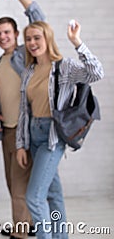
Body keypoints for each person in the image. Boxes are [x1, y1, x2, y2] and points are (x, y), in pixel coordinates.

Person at [16, 21, 104, 239]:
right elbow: (23, 112)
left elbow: (96, 73)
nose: (32, 43)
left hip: (52, 138)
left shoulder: (63, 66)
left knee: (34, 199)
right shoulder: (29, 71)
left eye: (37, 38)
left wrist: (77, 42)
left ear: (47, 38)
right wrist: (21, 144)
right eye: (28, 39)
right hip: (34, 134)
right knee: (53, 194)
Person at [0, 0, 46, 238]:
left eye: (7, 32)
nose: (3, 37)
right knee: (14, 184)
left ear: (15, 34)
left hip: (27, 132)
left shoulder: (26, 54)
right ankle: (28, 224)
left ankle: (20, 233)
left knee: (21, 185)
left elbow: (39, 20)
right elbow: (0, 97)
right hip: (8, 132)